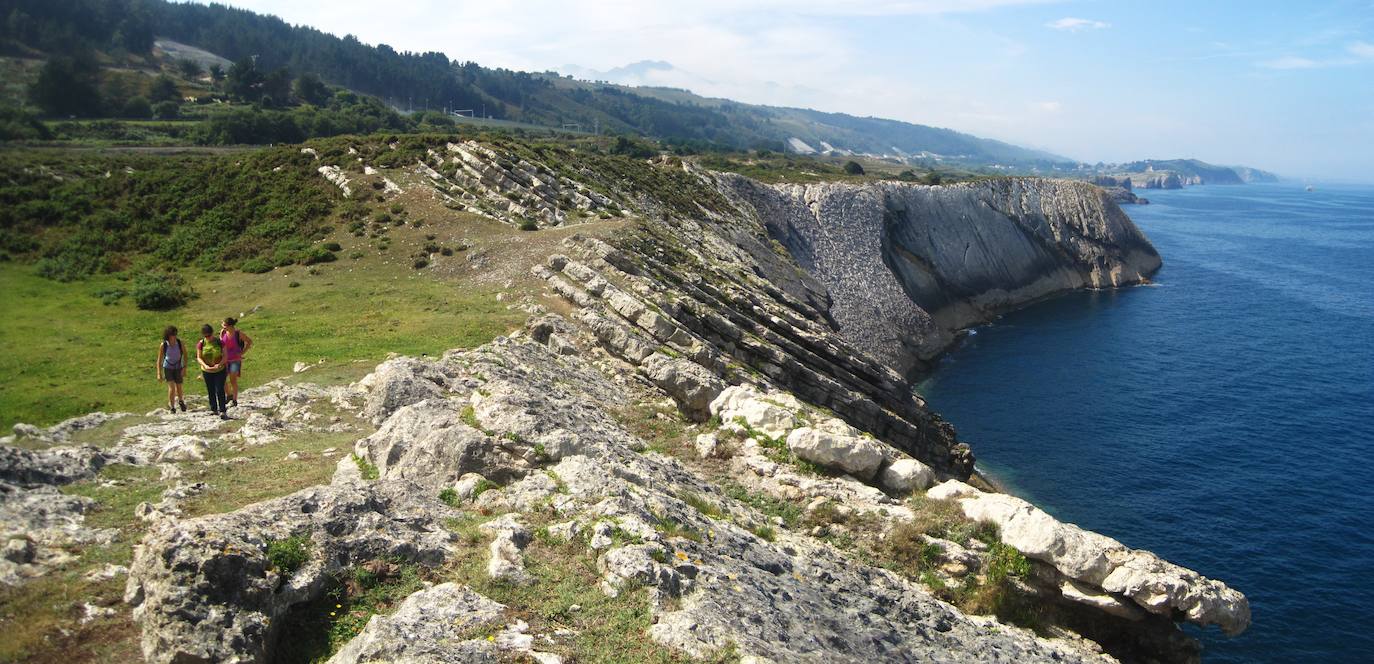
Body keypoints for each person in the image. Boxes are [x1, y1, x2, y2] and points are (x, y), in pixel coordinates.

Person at [197, 323, 229, 419]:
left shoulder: (220, 342)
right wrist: (205, 365)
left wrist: (219, 364)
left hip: (220, 370)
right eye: (206, 336)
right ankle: (214, 409)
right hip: (207, 371)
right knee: (210, 390)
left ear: (212, 333)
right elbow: (199, 357)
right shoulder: (201, 343)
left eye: (209, 335)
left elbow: (225, 356)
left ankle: (223, 410)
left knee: (219, 389)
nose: (208, 337)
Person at [220, 317, 253, 408]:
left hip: (235, 360)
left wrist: (242, 352)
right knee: (222, 379)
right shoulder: (223, 333)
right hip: (225, 360)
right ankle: (229, 395)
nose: (223, 327)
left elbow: (249, 341)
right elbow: (221, 345)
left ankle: (234, 400)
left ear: (230, 326)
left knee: (232, 379)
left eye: (224, 325)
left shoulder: (238, 334)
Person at [157, 326, 187, 413]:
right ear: (168, 336)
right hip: (168, 368)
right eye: (173, 335)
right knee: (171, 388)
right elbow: (159, 360)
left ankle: (181, 401)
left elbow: (185, 355)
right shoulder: (164, 345)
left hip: (178, 367)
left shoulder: (180, 342)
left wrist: (184, 368)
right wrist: (159, 373)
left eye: (175, 334)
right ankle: (172, 407)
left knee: (179, 386)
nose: (174, 336)